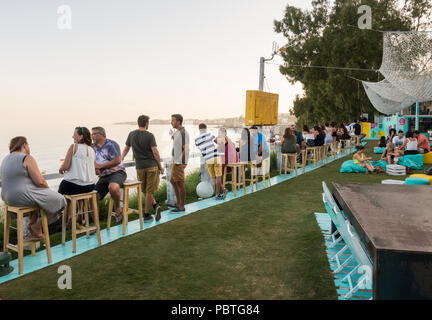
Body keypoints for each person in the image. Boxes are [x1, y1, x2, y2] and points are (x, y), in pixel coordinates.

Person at [0, 137, 66, 240]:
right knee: (60, 200)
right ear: (24, 145)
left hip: (7, 199)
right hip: (21, 197)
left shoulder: (5, 159)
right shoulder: (26, 158)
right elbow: (40, 181)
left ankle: (31, 224)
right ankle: (37, 226)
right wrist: (48, 191)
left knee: (39, 200)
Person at [121, 115, 164, 222]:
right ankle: (146, 214)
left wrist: (120, 159)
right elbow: (155, 151)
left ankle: (155, 206)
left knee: (145, 190)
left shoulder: (131, 134)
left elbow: (126, 149)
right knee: (149, 190)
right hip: (152, 166)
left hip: (139, 167)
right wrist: (160, 166)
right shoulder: (150, 135)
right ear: (146, 124)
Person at [58, 127, 97, 227]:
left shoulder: (74, 147)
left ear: (81, 137)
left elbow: (65, 166)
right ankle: (80, 211)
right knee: (80, 185)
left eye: (74, 135)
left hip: (74, 187)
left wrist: (61, 168)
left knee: (64, 189)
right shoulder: (92, 150)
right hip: (90, 187)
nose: (72, 136)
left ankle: (71, 216)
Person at [92, 126, 127, 222]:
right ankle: (96, 224)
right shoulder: (92, 147)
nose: (92, 136)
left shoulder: (112, 144)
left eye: (94, 134)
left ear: (101, 134)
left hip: (117, 172)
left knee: (113, 187)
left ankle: (117, 208)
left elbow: (117, 160)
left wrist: (101, 166)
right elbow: (94, 162)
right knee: (92, 198)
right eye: (92, 134)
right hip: (103, 176)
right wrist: (96, 169)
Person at [195, 124, 227, 200]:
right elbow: (218, 142)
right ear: (206, 128)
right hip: (216, 157)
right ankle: (221, 192)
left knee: (213, 177)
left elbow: (200, 149)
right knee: (218, 176)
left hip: (208, 159)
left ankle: (219, 193)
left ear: (199, 129)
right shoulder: (209, 134)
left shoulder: (196, 139)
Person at [169, 114, 189, 213]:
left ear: (179, 121)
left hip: (179, 162)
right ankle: (178, 203)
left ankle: (181, 207)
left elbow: (186, 149)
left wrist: (179, 160)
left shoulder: (183, 133)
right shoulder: (178, 132)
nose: (171, 122)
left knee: (180, 183)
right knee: (173, 181)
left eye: (173, 120)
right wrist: (173, 137)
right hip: (176, 160)